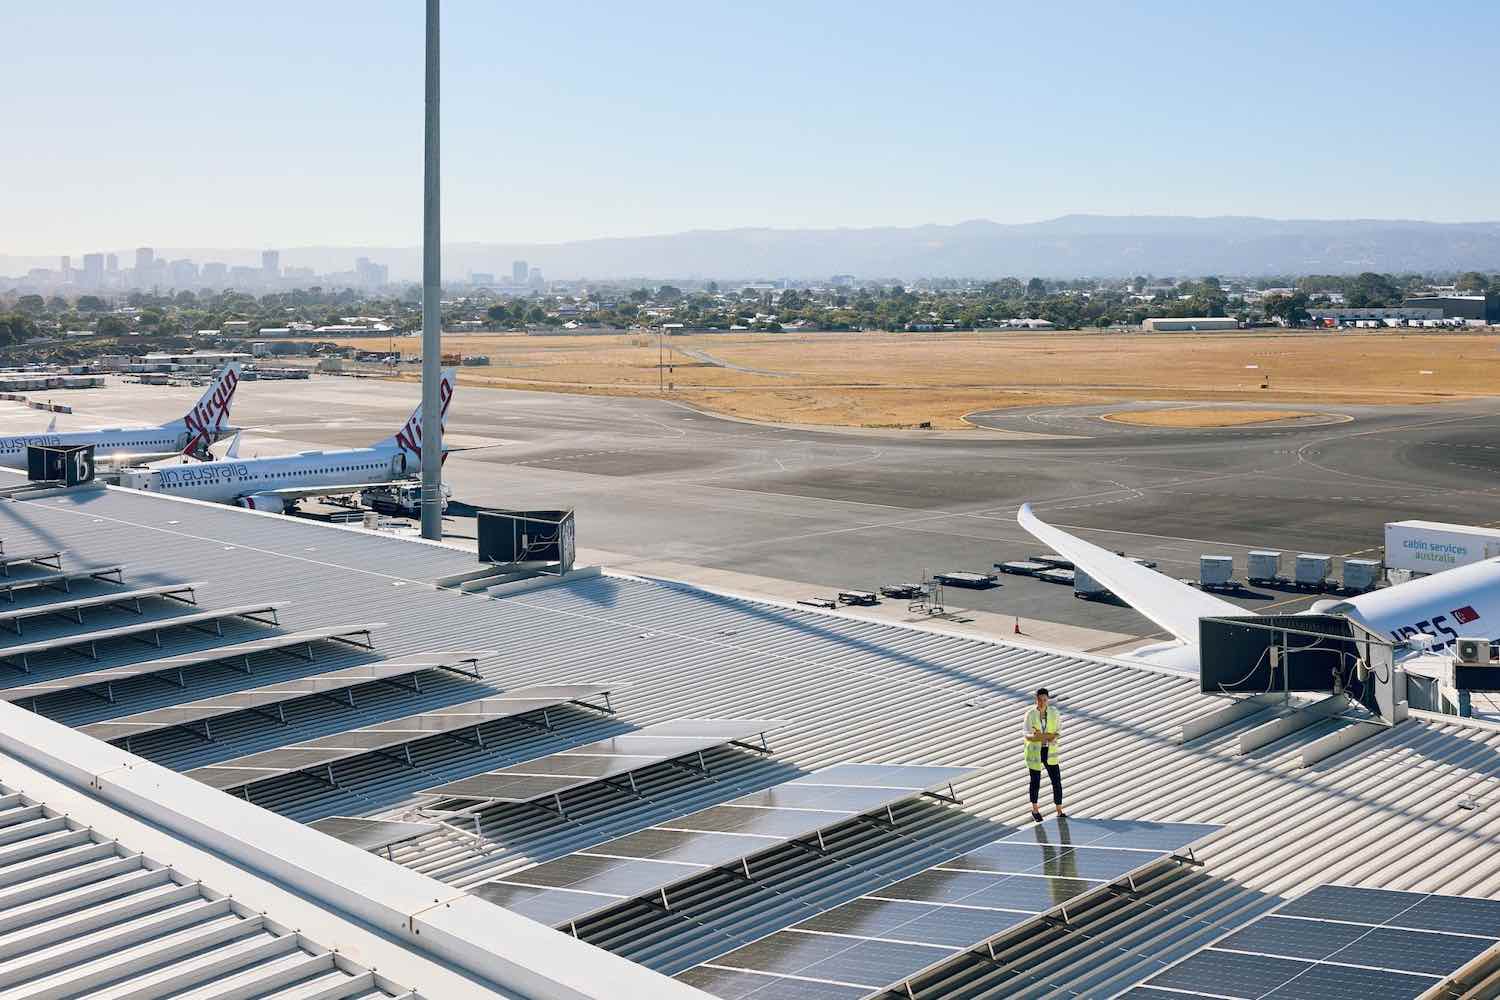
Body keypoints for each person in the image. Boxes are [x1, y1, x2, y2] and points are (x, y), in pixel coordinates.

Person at [1024, 687, 1064, 822]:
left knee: (1056, 781)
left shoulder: (1054, 713)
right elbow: (1027, 735)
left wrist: (1041, 736)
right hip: (1035, 752)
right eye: (1039, 700)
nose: (1042, 702)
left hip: (1050, 751)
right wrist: (1044, 737)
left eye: (1044, 700)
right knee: (1035, 781)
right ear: (1036, 700)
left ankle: (1059, 811)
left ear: (1048, 700)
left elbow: (1057, 732)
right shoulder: (1030, 714)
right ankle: (1035, 810)